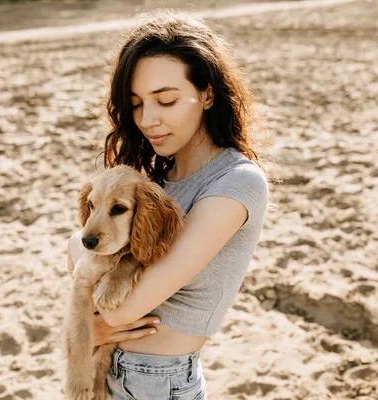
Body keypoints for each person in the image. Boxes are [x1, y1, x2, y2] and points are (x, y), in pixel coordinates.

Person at [67, 10, 272, 400]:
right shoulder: (153, 181)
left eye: (166, 100)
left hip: (157, 382)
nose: (148, 119)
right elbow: (85, 252)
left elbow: (117, 308)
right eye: (137, 103)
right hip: (107, 370)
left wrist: (95, 307)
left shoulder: (235, 183)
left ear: (207, 94)